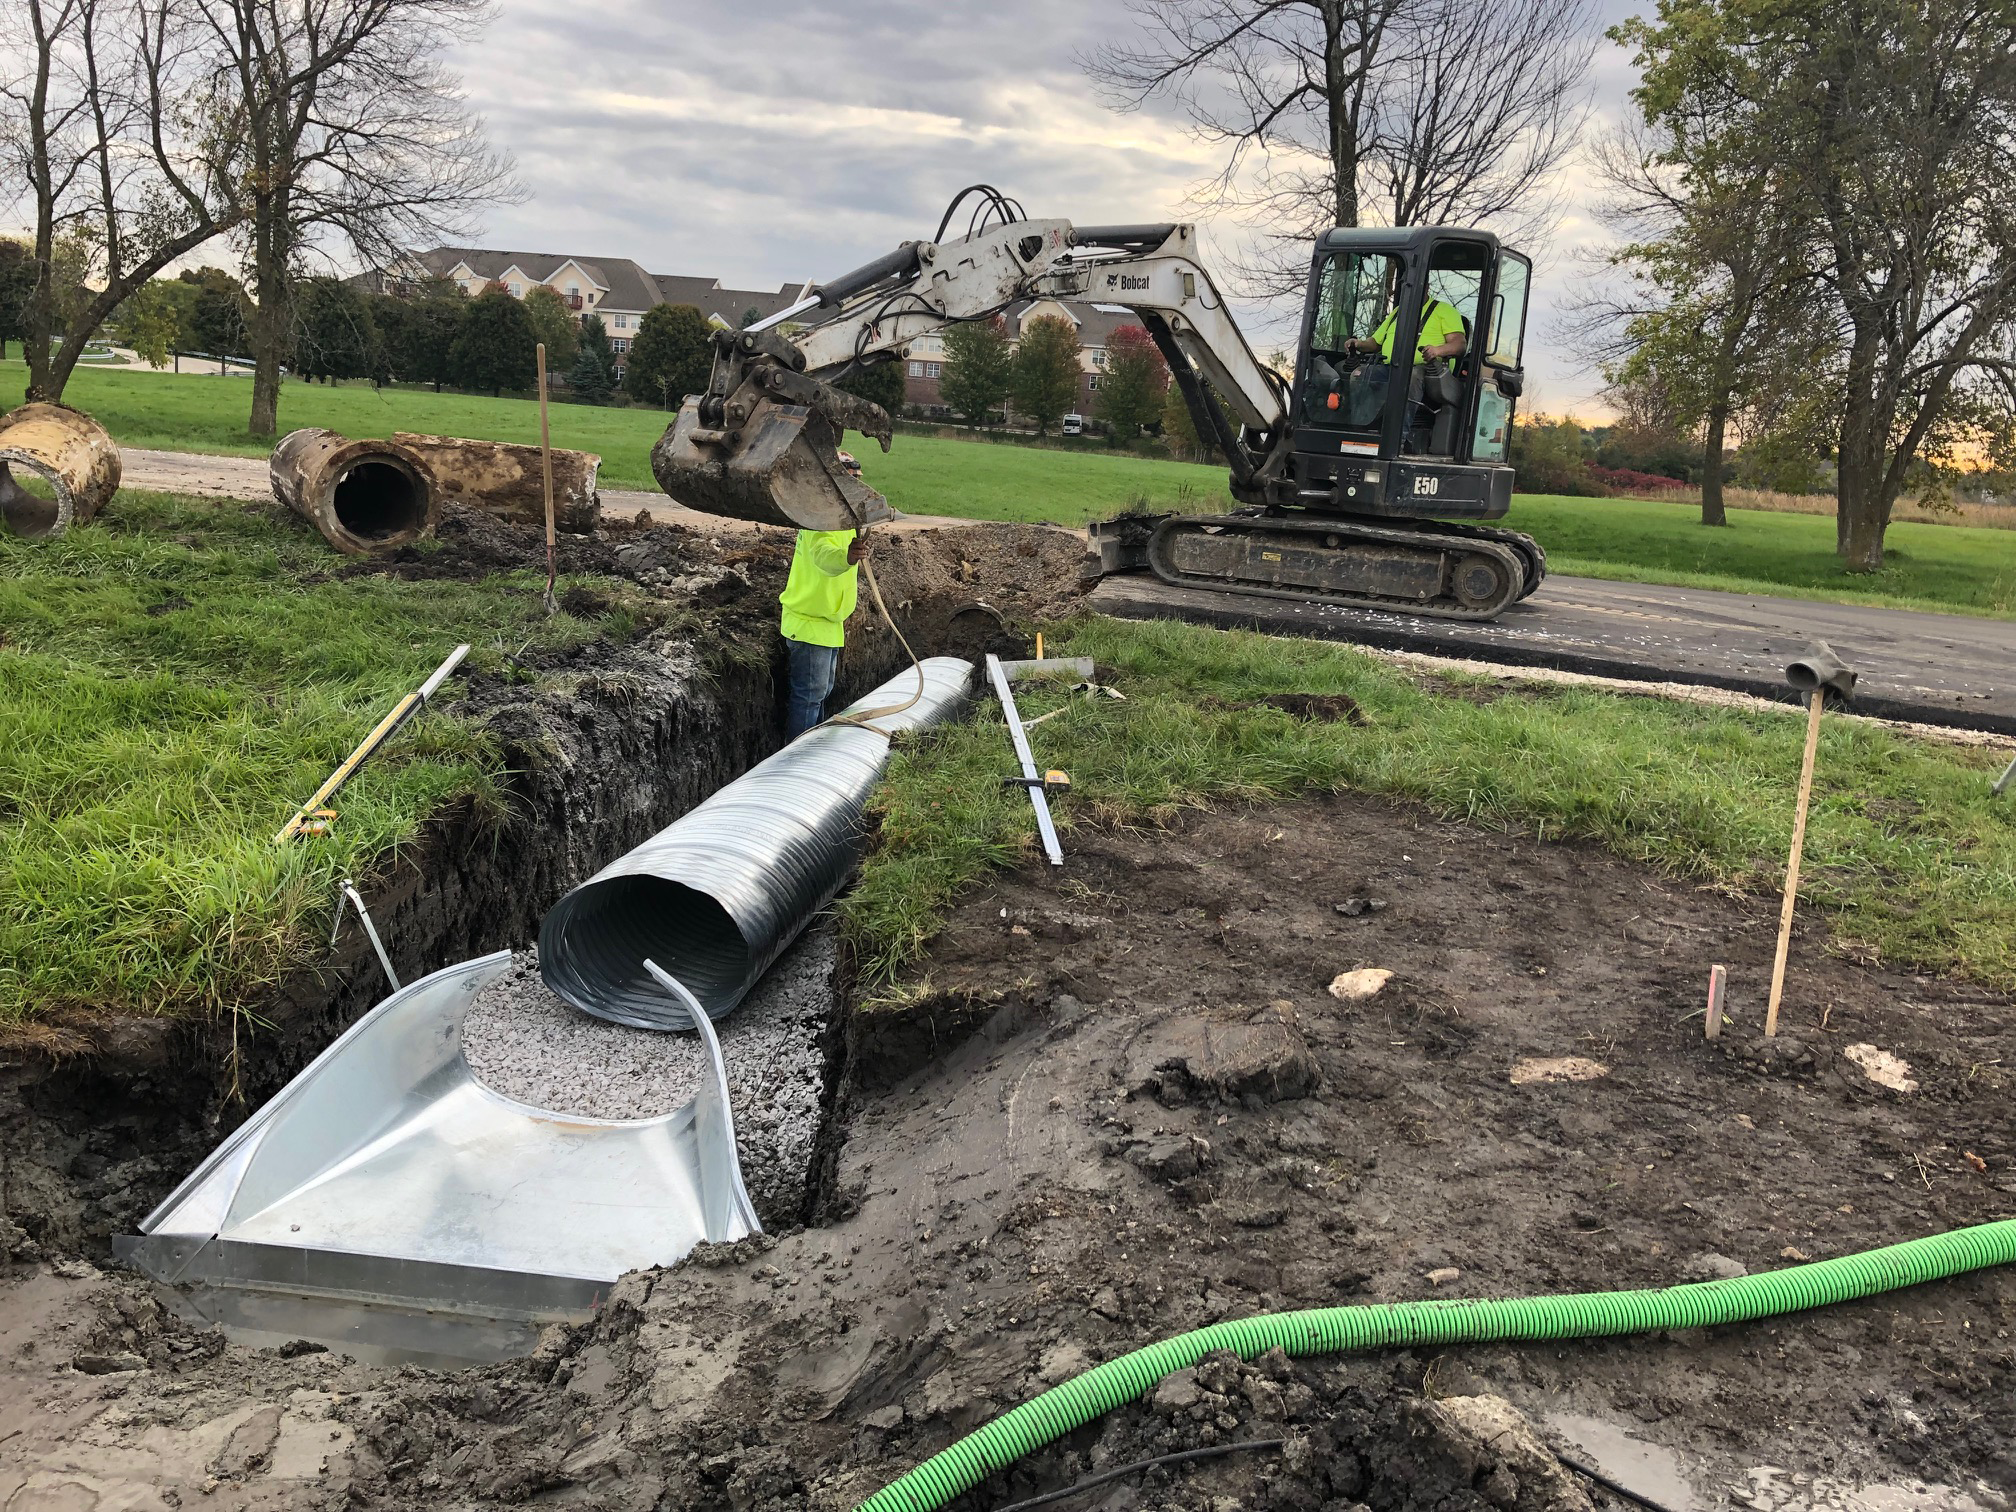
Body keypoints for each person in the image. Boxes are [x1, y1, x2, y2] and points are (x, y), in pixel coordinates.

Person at [779, 450, 869, 738]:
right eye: (849, 481)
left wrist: (850, 554)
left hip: (826, 623)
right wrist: (847, 557)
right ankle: (796, 758)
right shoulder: (818, 519)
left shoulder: (839, 519)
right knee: (808, 697)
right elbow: (824, 557)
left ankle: (809, 749)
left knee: (819, 693)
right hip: (809, 624)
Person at [1338, 295, 1468, 436]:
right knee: (1360, 374)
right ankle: (1361, 431)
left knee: (1412, 376)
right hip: (1393, 367)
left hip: (1430, 370)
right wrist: (1358, 344)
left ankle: (1397, 437)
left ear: (1426, 287)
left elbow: (1459, 345)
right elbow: (1375, 343)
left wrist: (1437, 350)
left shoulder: (1444, 310)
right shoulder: (1398, 312)